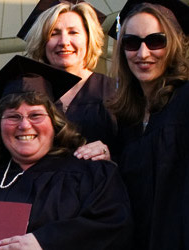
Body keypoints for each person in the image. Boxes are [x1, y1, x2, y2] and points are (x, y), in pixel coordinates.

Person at [0, 57, 132, 250]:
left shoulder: (90, 174)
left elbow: (113, 225)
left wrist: (46, 242)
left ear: (55, 122)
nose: (24, 125)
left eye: (35, 115)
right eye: (13, 116)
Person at [108, 1, 189, 249]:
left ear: (174, 44)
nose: (143, 54)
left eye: (156, 41)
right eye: (132, 43)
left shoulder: (186, 101)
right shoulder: (127, 119)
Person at [21, 1, 116, 161]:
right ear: (42, 42)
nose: (64, 41)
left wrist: (110, 156)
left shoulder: (113, 90)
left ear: (88, 38)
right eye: (54, 33)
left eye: (73, 32)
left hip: (100, 182)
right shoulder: (28, 95)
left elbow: (134, 151)